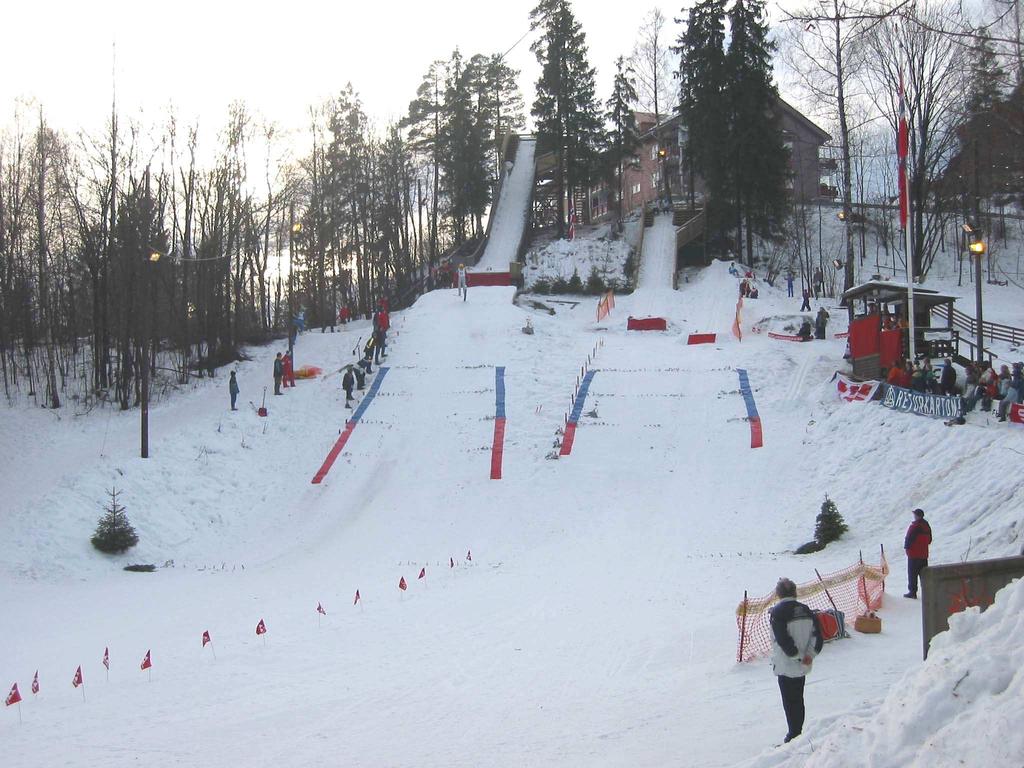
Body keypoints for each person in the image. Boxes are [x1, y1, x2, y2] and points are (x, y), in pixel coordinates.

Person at [770, 578, 823, 744]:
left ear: (779, 594)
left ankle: (793, 736)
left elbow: (782, 639)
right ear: (795, 592)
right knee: (798, 700)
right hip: (803, 665)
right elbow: (818, 637)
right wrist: (809, 655)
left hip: (787, 665)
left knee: (790, 702)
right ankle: (796, 733)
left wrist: (797, 656)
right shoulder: (806, 610)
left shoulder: (777, 612)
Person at [904, 508, 932, 598]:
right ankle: (927, 592)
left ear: (917, 516)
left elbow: (908, 539)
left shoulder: (915, 526)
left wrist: (907, 549)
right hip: (923, 555)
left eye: (915, 514)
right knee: (924, 574)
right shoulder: (926, 525)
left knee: (912, 574)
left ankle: (913, 592)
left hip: (914, 555)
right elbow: (929, 540)